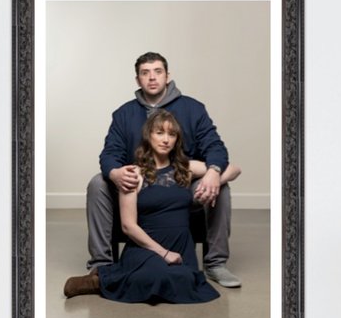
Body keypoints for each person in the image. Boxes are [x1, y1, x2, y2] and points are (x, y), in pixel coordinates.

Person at [84, 52, 242, 288]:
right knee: (98, 182)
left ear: (167, 76)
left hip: (181, 183)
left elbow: (215, 148)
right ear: (138, 79)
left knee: (219, 184)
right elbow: (109, 154)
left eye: (158, 72)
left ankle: (215, 263)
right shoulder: (124, 114)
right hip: (138, 185)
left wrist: (213, 174)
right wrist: (116, 173)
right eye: (145, 73)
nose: (152, 78)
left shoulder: (193, 109)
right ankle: (101, 264)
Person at [64, 110, 240, 303]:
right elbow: (128, 226)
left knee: (186, 280)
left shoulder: (185, 168)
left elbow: (234, 169)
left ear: (176, 140)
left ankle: (110, 278)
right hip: (146, 246)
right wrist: (164, 253)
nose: (166, 139)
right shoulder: (133, 173)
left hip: (181, 245)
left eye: (171, 134)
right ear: (149, 136)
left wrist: (213, 181)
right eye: (160, 133)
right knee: (155, 275)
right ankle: (97, 283)